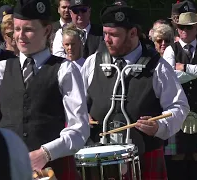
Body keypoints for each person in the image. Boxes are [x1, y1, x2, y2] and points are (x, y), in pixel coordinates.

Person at [81, 5, 189, 180]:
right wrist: (81, 115)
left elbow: (179, 107)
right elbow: (75, 102)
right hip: (98, 161)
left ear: (132, 33)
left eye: (113, 35)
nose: (106, 40)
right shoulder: (93, 62)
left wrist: (159, 127)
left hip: (145, 159)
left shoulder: (158, 66)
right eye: (105, 33)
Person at [0, 0, 90, 179]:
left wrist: (45, 153)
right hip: (8, 170)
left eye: (28, 29)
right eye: (17, 29)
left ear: (46, 31)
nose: (20, 36)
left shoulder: (65, 70)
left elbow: (79, 129)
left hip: (55, 170)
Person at [163, 12, 197, 180]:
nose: (184, 30)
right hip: (178, 111)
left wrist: (184, 67)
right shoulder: (170, 50)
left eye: (189, 27)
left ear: (196, 29)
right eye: (181, 27)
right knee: (177, 155)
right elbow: (169, 76)